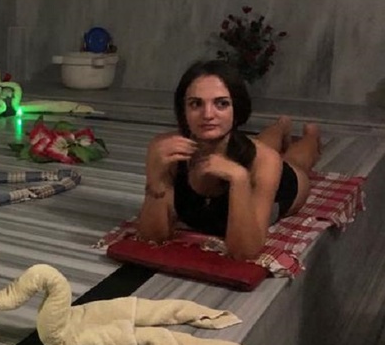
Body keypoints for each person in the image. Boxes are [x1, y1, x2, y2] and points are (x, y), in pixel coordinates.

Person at [136, 60, 321, 260]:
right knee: (259, 144)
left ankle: (311, 135)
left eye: (221, 103)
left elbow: (245, 251)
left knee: (295, 161)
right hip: (243, 147)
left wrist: (239, 179)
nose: (208, 115)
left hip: (285, 188)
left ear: (237, 109)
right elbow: (152, 237)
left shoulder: (266, 160)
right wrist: (155, 180)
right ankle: (281, 126)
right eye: (196, 104)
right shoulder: (165, 149)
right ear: (183, 110)